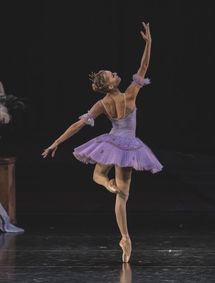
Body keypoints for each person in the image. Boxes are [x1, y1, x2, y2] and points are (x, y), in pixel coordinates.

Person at [42, 22, 163, 263]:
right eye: (113, 75)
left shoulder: (102, 105)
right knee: (123, 196)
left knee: (98, 175)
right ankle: (125, 237)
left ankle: (104, 184)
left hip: (111, 142)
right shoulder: (130, 94)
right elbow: (144, 65)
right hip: (129, 147)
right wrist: (149, 43)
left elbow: (77, 125)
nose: (117, 74)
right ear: (110, 84)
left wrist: (56, 142)